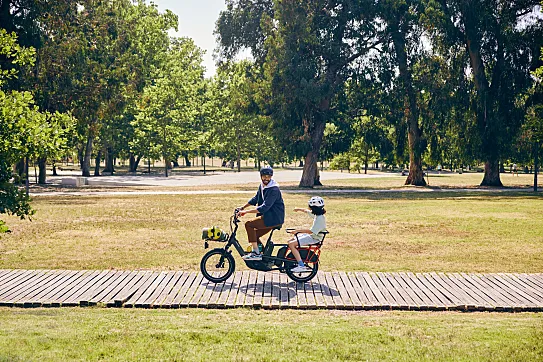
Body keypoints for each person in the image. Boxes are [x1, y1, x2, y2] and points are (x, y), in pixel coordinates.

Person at [237, 166, 285, 261]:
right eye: (264, 176)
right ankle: (263, 256)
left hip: (274, 218)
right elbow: (256, 199)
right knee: (254, 234)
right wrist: (242, 207)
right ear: (261, 176)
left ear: (271, 177)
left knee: (249, 224)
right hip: (268, 217)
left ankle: (256, 253)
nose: (266, 178)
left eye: (268, 176)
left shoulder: (273, 189)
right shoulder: (262, 186)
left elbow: (264, 207)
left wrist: (246, 212)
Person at [287, 196, 327, 273]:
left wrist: (297, 231)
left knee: (291, 244)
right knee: (290, 241)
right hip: (313, 236)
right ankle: (294, 258)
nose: (309, 208)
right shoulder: (318, 215)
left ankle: (301, 265)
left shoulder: (320, 219)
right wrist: (299, 209)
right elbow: (307, 211)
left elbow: (311, 231)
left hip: (314, 238)